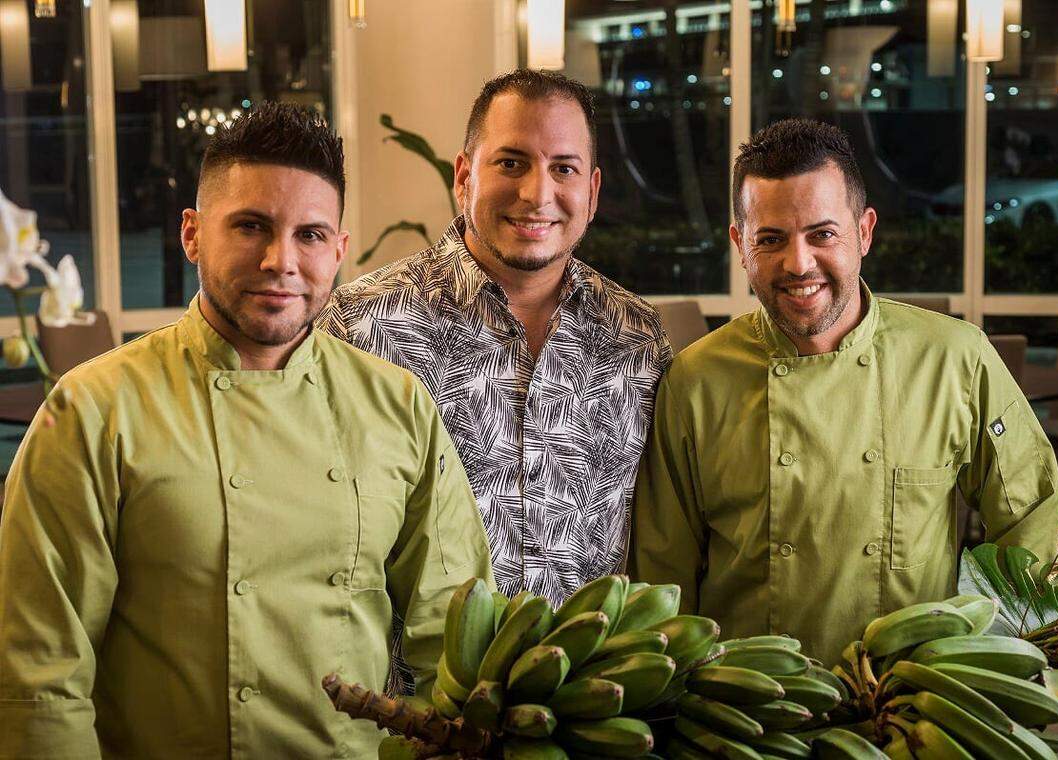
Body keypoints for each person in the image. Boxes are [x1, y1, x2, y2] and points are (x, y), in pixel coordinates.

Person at [0, 103, 493, 758]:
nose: (280, 260)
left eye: (311, 235)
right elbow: (42, 675)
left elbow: (455, 639)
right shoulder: (93, 412)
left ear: (340, 250)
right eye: (251, 226)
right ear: (192, 234)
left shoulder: (396, 405)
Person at [628, 118, 1058, 665]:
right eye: (771, 239)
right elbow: (664, 575)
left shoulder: (956, 358)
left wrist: (984, 652)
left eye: (822, 234)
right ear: (740, 245)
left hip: (909, 703)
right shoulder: (693, 381)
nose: (799, 263)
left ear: (865, 231)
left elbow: (1032, 516)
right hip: (749, 708)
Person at [319, 70, 671, 606]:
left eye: (563, 168)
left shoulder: (637, 341)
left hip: (588, 683)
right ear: (464, 178)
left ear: (592, 192)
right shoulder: (359, 329)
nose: (537, 193)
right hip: (414, 687)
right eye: (511, 163)